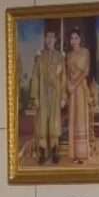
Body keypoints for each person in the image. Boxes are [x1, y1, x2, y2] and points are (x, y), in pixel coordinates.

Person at [28, 29, 65, 164]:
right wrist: (35, 97)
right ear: (45, 39)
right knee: (42, 123)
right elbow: (35, 77)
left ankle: (55, 151)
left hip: (55, 94)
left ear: (55, 40)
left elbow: (63, 78)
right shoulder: (40, 57)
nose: (50, 40)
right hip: (42, 95)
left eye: (52, 37)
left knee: (54, 123)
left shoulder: (60, 57)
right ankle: (42, 152)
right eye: (47, 37)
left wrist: (63, 97)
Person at [65, 28, 91, 164]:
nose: (73, 40)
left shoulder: (85, 52)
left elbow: (85, 72)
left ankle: (82, 154)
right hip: (72, 91)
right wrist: (68, 85)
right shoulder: (68, 55)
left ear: (80, 39)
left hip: (80, 88)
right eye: (71, 38)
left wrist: (74, 85)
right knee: (73, 119)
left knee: (81, 118)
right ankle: (74, 154)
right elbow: (67, 73)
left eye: (76, 38)